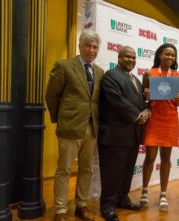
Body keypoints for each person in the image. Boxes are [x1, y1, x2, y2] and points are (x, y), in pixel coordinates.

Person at [45, 30, 103, 221]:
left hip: (91, 128)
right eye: (88, 45)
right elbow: (51, 95)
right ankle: (60, 210)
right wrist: (59, 119)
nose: (92, 50)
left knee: (87, 169)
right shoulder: (64, 66)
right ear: (80, 45)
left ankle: (81, 206)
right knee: (64, 170)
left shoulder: (99, 72)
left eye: (95, 47)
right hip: (70, 126)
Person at [98, 46, 150, 221]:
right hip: (115, 136)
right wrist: (138, 116)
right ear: (119, 57)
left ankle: (122, 199)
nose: (131, 60)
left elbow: (142, 102)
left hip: (133, 135)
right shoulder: (110, 76)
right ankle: (107, 207)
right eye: (127, 57)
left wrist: (146, 111)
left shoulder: (135, 79)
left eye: (133, 58)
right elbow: (117, 101)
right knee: (112, 173)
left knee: (127, 172)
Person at [140, 43, 179, 212]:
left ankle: (163, 194)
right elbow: (143, 100)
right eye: (167, 54)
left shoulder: (178, 76)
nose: (170, 58)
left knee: (166, 158)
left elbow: (178, 99)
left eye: (173, 55)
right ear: (159, 55)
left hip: (170, 120)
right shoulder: (148, 73)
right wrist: (147, 97)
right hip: (154, 119)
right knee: (150, 157)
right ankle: (144, 190)